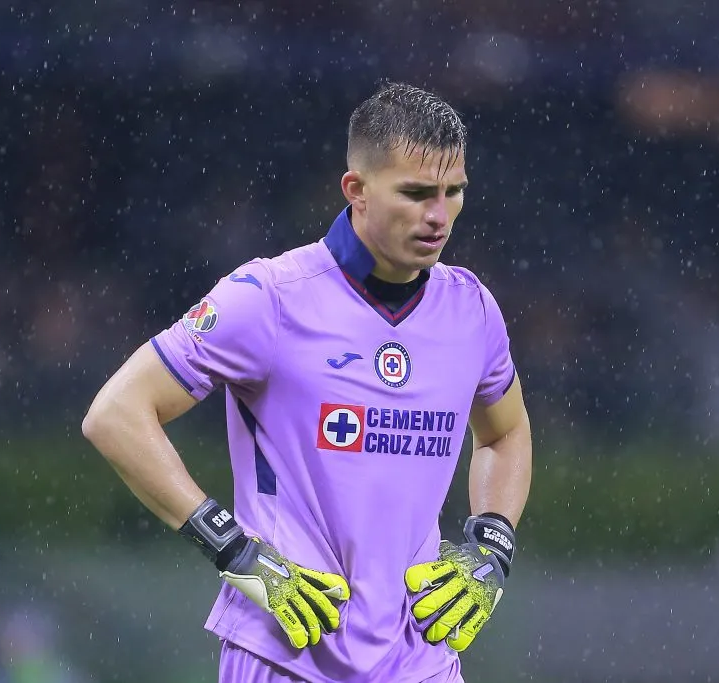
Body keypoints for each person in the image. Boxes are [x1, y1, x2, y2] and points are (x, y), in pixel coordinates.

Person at [82, 82, 533, 683]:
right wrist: (238, 555)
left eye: (453, 193)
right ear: (357, 190)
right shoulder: (270, 298)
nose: (438, 215)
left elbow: (505, 435)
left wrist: (490, 549)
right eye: (416, 193)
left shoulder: (472, 310)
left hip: (421, 659)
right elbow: (116, 414)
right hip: (286, 654)